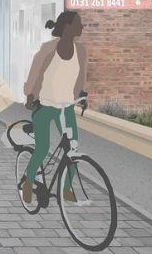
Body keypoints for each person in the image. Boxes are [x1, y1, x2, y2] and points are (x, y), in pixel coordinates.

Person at [20, 11, 88, 206]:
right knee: (42, 149)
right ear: (67, 27)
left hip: (65, 107)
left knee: (73, 149)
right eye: (78, 24)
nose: (81, 27)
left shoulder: (81, 51)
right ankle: (29, 181)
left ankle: (66, 188)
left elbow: (82, 76)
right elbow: (34, 73)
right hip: (44, 105)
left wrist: (82, 95)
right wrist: (30, 96)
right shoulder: (48, 49)